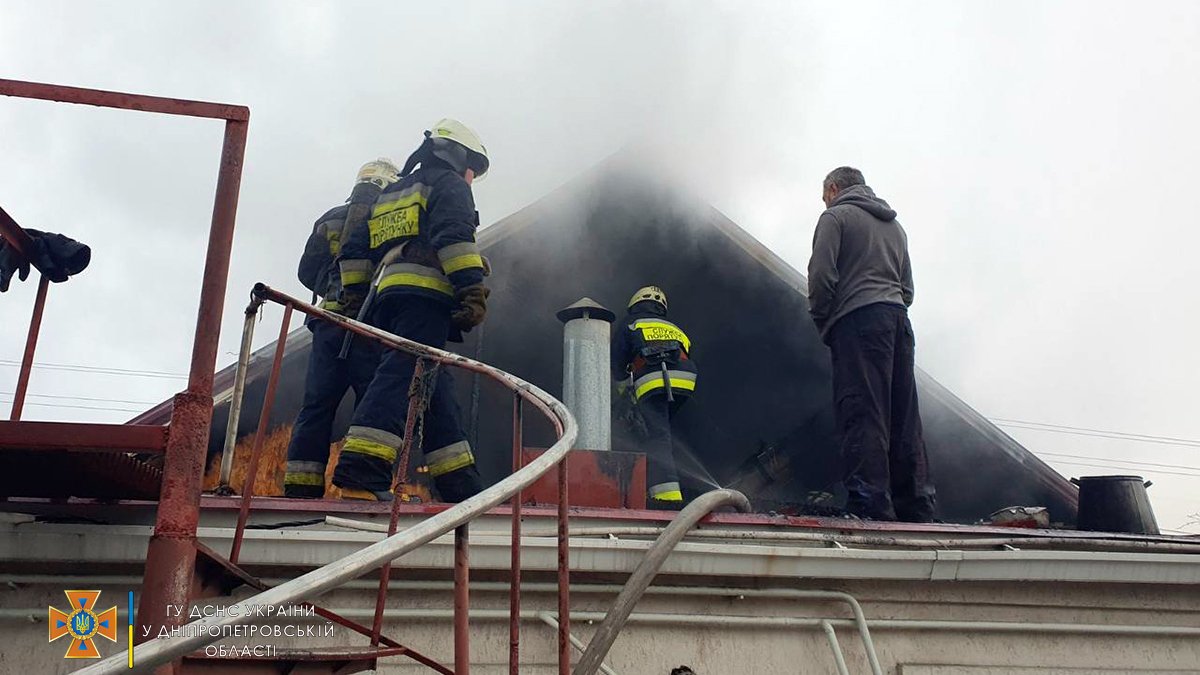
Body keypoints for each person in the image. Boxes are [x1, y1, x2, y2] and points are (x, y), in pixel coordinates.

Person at [331, 119, 491, 502]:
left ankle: (459, 487)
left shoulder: (390, 193)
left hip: (386, 300)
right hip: (426, 296)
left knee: (434, 389)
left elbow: (355, 249)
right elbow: (454, 238)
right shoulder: (448, 184)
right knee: (401, 378)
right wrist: (472, 290)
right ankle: (360, 473)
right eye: (472, 168)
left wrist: (355, 299)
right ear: (457, 156)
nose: (471, 177)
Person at [806, 166, 935, 522]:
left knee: (863, 410)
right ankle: (916, 506)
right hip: (898, 323)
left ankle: (870, 504)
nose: (824, 201)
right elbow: (908, 289)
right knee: (903, 416)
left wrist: (824, 321)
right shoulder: (896, 227)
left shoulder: (835, 218)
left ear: (833, 189)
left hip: (857, 322)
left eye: (823, 195)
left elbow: (820, 277)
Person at [282, 159, 398, 498]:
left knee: (317, 406)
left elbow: (306, 271)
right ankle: (364, 485)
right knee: (372, 403)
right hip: (369, 326)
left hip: (327, 325)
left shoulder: (329, 218)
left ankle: (300, 487)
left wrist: (330, 283)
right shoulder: (388, 215)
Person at [611, 285, 698, 506]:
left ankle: (666, 495)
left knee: (657, 436)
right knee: (662, 431)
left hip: (656, 378)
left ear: (635, 304)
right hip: (685, 379)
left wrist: (622, 394)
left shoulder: (631, 323)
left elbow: (617, 364)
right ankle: (669, 481)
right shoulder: (673, 327)